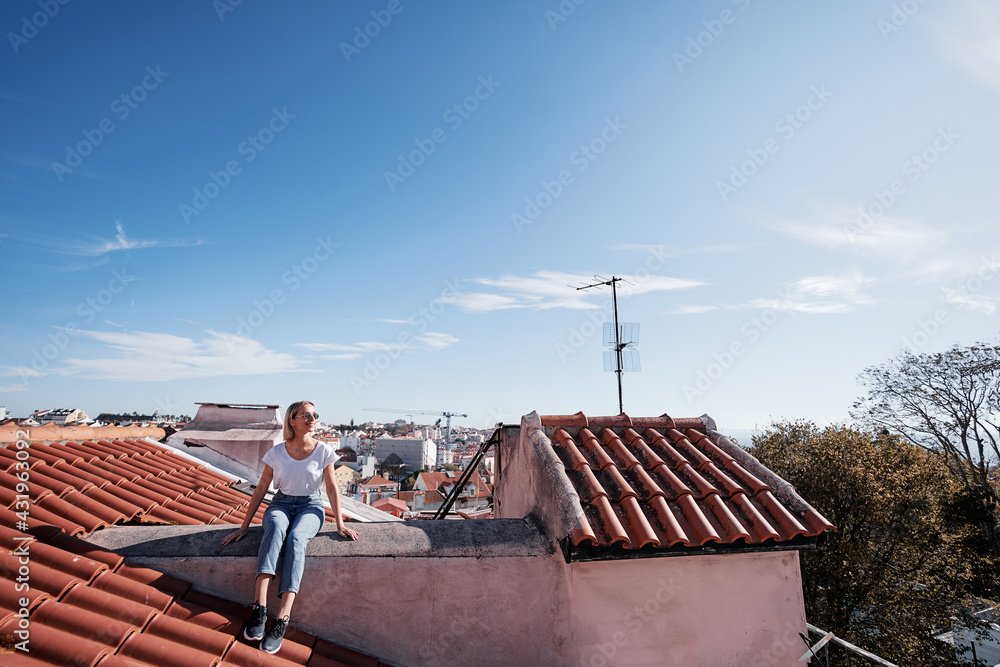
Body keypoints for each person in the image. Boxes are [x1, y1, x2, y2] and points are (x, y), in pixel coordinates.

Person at [222, 400, 359, 654]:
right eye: (305, 415)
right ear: (292, 420)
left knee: (296, 538)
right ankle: (259, 609)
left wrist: (339, 523)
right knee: (274, 528)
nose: (312, 419)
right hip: (281, 504)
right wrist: (243, 527)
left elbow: (331, 488)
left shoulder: (324, 451)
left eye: (314, 414)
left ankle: (283, 618)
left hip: (311, 507)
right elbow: (261, 488)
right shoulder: (277, 452)